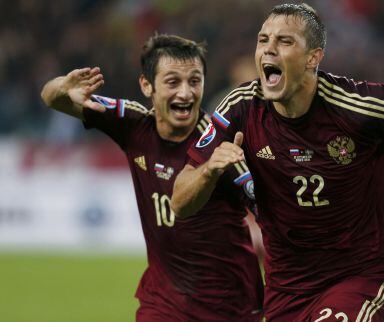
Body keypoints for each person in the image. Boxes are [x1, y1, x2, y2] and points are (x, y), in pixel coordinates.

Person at [171, 3, 384, 322]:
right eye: (263, 40)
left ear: (313, 57)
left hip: (361, 273)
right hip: (287, 288)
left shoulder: (357, 105)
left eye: (285, 41)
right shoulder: (240, 107)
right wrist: (209, 171)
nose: (269, 49)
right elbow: (180, 203)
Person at [41, 34, 263, 321]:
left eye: (194, 81)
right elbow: (51, 97)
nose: (185, 93)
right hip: (164, 302)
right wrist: (62, 87)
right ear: (147, 85)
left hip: (231, 306)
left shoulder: (220, 145)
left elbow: (270, 213)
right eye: (173, 82)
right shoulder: (134, 125)